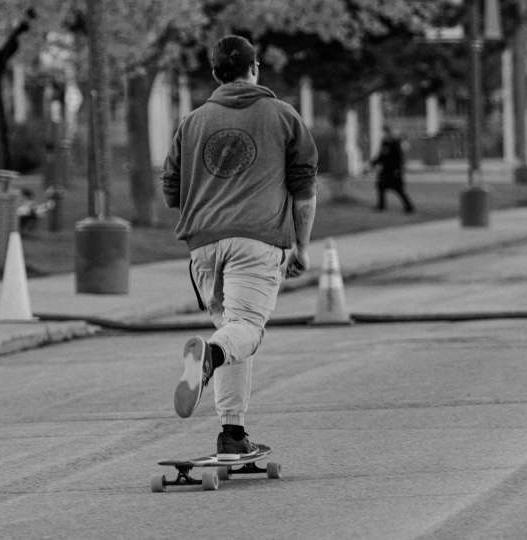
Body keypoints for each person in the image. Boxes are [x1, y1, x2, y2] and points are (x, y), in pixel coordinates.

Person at [161, 35, 318, 458]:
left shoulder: (191, 122)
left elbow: (171, 193)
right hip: (257, 240)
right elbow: (304, 191)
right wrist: (301, 247)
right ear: (255, 69)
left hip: (203, 246)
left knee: (232, 328)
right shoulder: (283, 116)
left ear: (215, 74)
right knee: (244, 330)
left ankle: (232, 433)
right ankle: (208, 355)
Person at [369, 125, 414, 213]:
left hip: (393, 170)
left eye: (385, 133)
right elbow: (381, 156)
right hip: (386, 170)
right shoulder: (385, 143)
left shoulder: (394, 144)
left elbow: (398, 158)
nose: (384, 135)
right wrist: (372, 164)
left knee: (398, 189)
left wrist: (398, 170)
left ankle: (409, 207)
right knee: (381, 186)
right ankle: (381, 205)